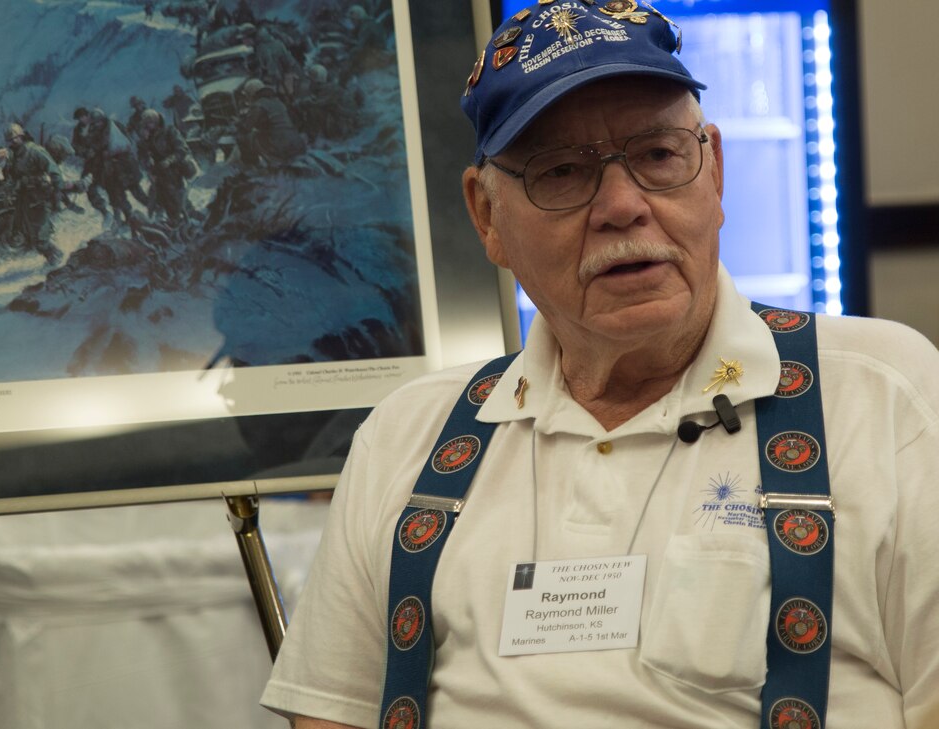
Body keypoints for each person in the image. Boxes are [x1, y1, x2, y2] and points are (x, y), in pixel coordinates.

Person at [261, 4, 939, 729]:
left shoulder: (885, 394)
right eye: (561, 171)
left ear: (714, 172)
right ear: (486, 217)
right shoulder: (407, 436)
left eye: (657, 155)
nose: (622, 205)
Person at [2, 123, 63, 265]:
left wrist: (57, 194)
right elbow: (12, 177)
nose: (12, 143)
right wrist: (8, 192)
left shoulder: (35, 151)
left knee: (41, 240)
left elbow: (54, 172)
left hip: (42, 197)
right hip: (26, 200)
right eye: (10, 140)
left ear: (21, 137)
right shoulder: (13, 156)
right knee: (31, 239)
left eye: (14, 139)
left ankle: (57, 261)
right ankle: (56, 257)